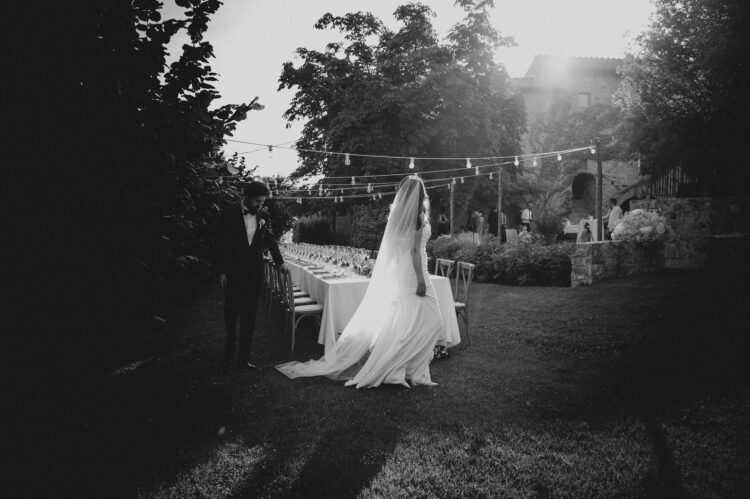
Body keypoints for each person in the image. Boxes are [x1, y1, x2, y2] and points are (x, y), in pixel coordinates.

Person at [276, 175, 443, 388]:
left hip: (404, 274)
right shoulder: (418, 217)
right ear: (420, 194)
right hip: (415, 274)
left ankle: (409, 371)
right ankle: (403, 369)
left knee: (405, 323)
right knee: (432, 321)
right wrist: (420, 280)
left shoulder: (399, 215)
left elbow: (395, 250)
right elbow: (413, 251)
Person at [216, 181, 286, 369]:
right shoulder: (229, 213)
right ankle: (231, 344)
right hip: (233, 272)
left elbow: (271, 240)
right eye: (258, 201)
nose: (260, 205)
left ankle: (243, 357)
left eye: (263, 202)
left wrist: (280, 262)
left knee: (250, 314)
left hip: (255, 272)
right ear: (247, 197)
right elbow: (221, 243)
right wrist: (222, 270)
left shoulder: (263, 215)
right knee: (231, 312)